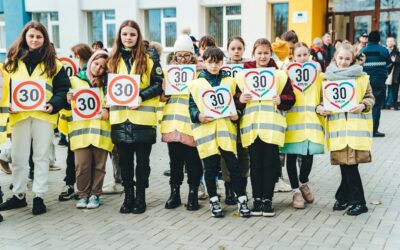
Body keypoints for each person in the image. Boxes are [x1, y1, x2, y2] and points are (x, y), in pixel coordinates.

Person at [0, 21, 70, 215]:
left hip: (43, 116)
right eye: (31, 36)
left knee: (41, 157)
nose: (34, 40)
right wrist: (8, 105)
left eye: (39, 37)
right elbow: (5, 89)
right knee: (18, 157)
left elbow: (63, 89)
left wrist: (54, 104)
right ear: (25, 37)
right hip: (19, 115)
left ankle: (39, 196)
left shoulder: (54, 63)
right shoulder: (11, 61)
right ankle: (19, 195)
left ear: (44, 39)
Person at [187, 47, 251, 218]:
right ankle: (214, 199)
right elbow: (192, 107)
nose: (214, 66)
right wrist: (198, 116)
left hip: (225, 131)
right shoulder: (195, 84)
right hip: (206, 132)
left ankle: (241, 198)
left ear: (223, 62)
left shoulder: (230, 81)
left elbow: (238, 104)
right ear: (204, 61)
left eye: (217, 62)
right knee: (210, 169)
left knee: (233, 167)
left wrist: (236, 115)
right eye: (210, 62)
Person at [108, 20, 163, 214]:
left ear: (138, 36)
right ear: (119, 36)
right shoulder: (111, 59)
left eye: (132, 34)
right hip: (120, 118)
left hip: (143, 120)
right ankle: (128, 197)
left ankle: (141, 197)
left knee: (142, 163)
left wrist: (141, 96)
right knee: (124, 163)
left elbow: (158, 85)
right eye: (125, 34)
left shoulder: (149, 59)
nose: (128, 38)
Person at [236, 38, 295, 217]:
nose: (262, 56)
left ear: (271, 54)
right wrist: (240, 98)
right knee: (255, 164)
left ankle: (268, 199)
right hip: (252, 125)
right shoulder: (243, 74)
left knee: (270, 163)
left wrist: (281, 100)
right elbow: (234, 96)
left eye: (266, 53)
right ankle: (258, 199)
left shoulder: (279, 74)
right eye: (259, 53)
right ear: (253, 53)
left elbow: (290, 97)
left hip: (271, 126)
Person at [317, 43, 375, 216]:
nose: (343, 62)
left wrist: (363, 105)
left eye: (347, 59)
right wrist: (320, 109)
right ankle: (342, 197)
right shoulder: (327, 79)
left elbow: (370, 98)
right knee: (345, 165)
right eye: (340, 58)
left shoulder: (361, 78)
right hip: (339, 130)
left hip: (355, 130)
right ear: (335, 58)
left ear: (353, 59)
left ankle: (359, 202)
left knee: (351, 167)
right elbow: (321, 101)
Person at [160, 35, 203, 211]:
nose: (183, 59)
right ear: (174, 56)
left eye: (187, 55)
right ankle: (175, 193)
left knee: (193, 161)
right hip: (173, 123)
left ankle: (193, 193)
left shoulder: (199, 72)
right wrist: (166, 93)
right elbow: (162, 97)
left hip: (192, 124)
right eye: (179, 55)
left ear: (192, 56)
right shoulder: (168, 72)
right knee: (175, 161)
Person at [66, 51, 112, 209]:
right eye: (96, 63)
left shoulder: (107, 84)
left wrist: (108, 110)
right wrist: (68, 98)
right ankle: (83, 194)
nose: (98, 68)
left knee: (99, 166)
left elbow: (114, 103)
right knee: (81, 165)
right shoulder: (74, 80)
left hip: (100, 130)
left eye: (103, 67)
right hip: (81, 131)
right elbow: (66, 105)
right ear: (90, 62)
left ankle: (95, 195)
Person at [282, 42, 324, 209]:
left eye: (305, 54)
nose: (302, 58)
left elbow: (325, 88)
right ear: (293, 57)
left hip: (311, 122)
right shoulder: (286, 74)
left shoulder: (317, 74)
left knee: (308, 156)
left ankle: (303, 181)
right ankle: (295, 191)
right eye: (299, 55)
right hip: (293, 123)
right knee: (291, 157)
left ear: (309, 55)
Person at [58, 43, 93, 201]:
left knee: (74, 156)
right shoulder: (79, 75)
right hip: (82, 121)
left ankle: (73, 185)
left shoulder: (80, 76)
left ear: (78, 56)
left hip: (79, 123)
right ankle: (84, 187)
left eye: (73, 55)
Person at [221, 36, 250, 205]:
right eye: (233, 48)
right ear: (228, 50)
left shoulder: (249, 68)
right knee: (227, 152)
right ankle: (229, 188)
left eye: (239, 48)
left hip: (245, 114)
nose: (236, 51)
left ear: (244, 49)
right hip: (226, 114)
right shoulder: (222, 68)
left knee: (244, 152)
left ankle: (243, 187)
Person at [360, 31, 391, 137]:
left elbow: (358, 67)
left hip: (365, 81)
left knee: (365, 104)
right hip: (379, 81)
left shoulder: (362, 50)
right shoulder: (383, 50)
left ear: (368, 39)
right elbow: (389, 64)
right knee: (376, 105)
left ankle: (365, 129)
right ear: (378, 39)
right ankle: (374, 130)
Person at [384, 36, 400, 110]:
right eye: (388, 41)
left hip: (394, 73)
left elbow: (397, 61)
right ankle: (384, 104)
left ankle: (393, 105)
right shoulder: (384, 50)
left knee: (394, 89)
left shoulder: (397, 51)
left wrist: (394, 61)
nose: (390, 42)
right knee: (384, 89)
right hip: (384, 72)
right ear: (386, 43)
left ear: (394, 42)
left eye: (391, 41)